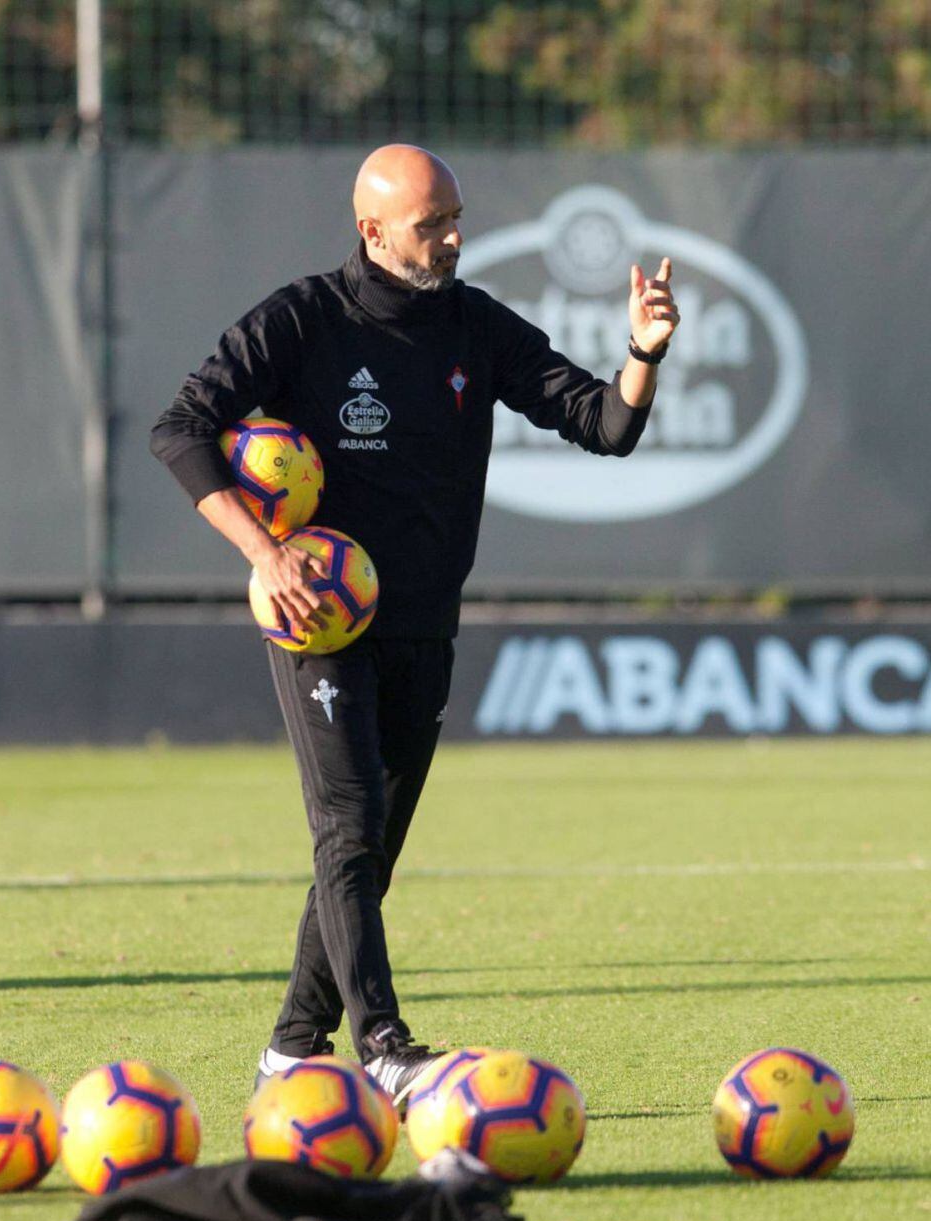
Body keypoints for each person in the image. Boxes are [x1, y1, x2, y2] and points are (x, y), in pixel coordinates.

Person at [151, 144, 680, 1107]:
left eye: (454, 217)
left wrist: (642, 352)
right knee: (348, 828)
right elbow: (181, 428)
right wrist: (265, 556)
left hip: (426, 622)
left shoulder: (476, 327)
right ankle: (383, 1047)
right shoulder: (304, 317)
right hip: (320, 617)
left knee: (372, 849)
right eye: (432, 223)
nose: (451, 237)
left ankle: (288, 1052)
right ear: (374, 231)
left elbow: (605, 425)